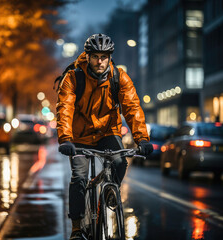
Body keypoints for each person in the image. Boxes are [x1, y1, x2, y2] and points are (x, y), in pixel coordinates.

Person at [56, 33, 153, 240]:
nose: (100, 61)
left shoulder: (119, 77)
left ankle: (109, 192)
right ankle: (76, 228)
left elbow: (132, 108)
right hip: (80, 136)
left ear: (110, 57)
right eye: (95, 57)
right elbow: (65, 108)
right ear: (88, 56)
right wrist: (65, 139)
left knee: (120, 163)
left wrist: (142, 139)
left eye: (104, 57)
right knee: (79, 178)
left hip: (108, 132)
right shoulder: (73, 77)